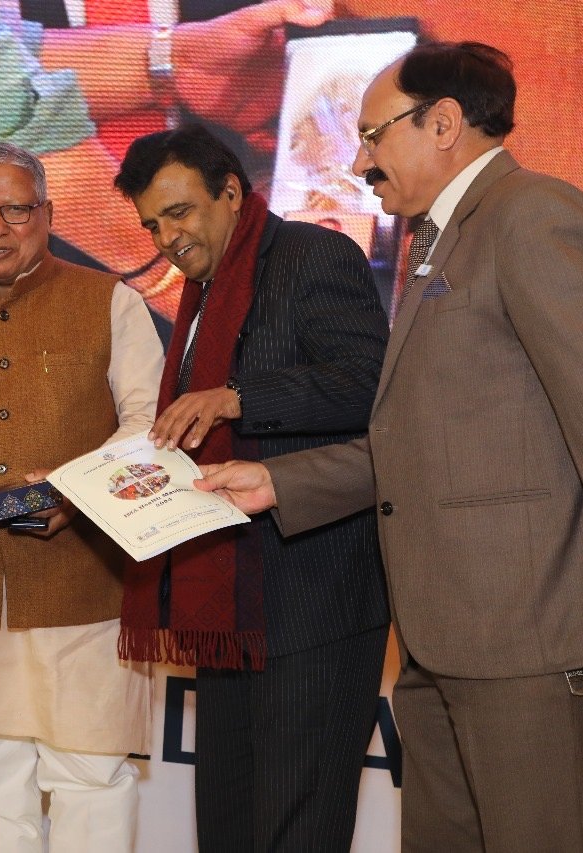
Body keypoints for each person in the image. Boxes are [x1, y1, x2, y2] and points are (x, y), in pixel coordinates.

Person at [194, 41, 583, 852]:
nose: (359, 162)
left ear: (444, 123)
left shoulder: (534, 214)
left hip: (532, 641)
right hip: (441, 643)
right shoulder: (436, 243)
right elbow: (425, 438)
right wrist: (279, 482)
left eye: (372, 135)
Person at [113, 124, 389, 851]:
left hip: (313, 601)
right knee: (227, 826)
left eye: (179, 212)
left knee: (296, 830)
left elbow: (371, 388)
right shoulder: (201, 293)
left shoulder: (313, 255)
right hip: (230, 602)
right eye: (151, 225)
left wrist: (238, 397)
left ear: (231, 192)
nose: (166, 238)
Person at [0, 142, 164, 852]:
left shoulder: (113, 300)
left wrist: (75, 490)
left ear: (47, 214)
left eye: (15, 210)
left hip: (85, 593)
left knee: (90, 782)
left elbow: (148, 427)